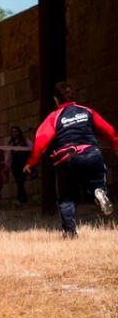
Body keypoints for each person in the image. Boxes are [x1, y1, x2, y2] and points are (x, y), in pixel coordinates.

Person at [25, 81, 116, 236]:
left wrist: (31, 162)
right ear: (74, 96)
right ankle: (99, 190)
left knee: (66, 197)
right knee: (96, 180)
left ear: (56, 99)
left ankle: (70, 233)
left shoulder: (54, 117)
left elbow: (40, 140)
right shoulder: (87, 111)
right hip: (92, 155)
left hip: (68, 160)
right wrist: (116, 145)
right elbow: (108, 131)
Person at [8, 126, 30, 204]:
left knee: (21, 181)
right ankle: (22, 199)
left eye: (16, 131)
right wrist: (7, 164)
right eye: (13, 131)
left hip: (24, 165)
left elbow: (32, 147)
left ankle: (21, 199)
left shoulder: (25, 140)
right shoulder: (11, 143)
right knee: (19, 182)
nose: (14, 133)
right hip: (15, 165)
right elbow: (9, 155)